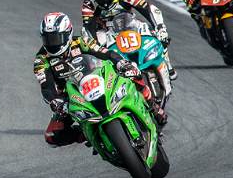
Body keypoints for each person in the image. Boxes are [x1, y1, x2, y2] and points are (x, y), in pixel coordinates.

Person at [34, 12, 167, 147]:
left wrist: (121, 63)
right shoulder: (41, 60)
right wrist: (54, 100)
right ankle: (88, 134)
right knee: (51, 136)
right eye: (47, 39)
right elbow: (46, 86)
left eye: (55, 38)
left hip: (99, 78)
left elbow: (105, 52)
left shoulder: (81, 41)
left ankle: (153, 106)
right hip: (72, 97)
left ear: (67, 34)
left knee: (132, 72)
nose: (52, 43)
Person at [82, 0, 176, 80]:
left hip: (128, 24)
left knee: (158, 35)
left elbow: (149, 9)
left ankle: (167, 65)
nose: (105, 1)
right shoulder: (88, 4)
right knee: (94, 50)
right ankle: (109, 76)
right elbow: (88, 28)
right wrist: (96, 46)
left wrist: (160, 27)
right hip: (105, 30)